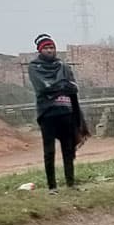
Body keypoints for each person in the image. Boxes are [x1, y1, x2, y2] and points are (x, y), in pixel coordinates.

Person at [27, 34, 89, 194]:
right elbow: (42, 87)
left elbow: (73, 88)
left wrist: (58, 87)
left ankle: (71, 183)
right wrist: (62, 86)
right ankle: (52, 187)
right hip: (47, 114)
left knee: (68, 149)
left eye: (52, 47)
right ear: (40, 50)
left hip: (65, 112)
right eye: (46, 48)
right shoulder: (35, 67)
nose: (50, 51)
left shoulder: (63, 66)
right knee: (49, 151)